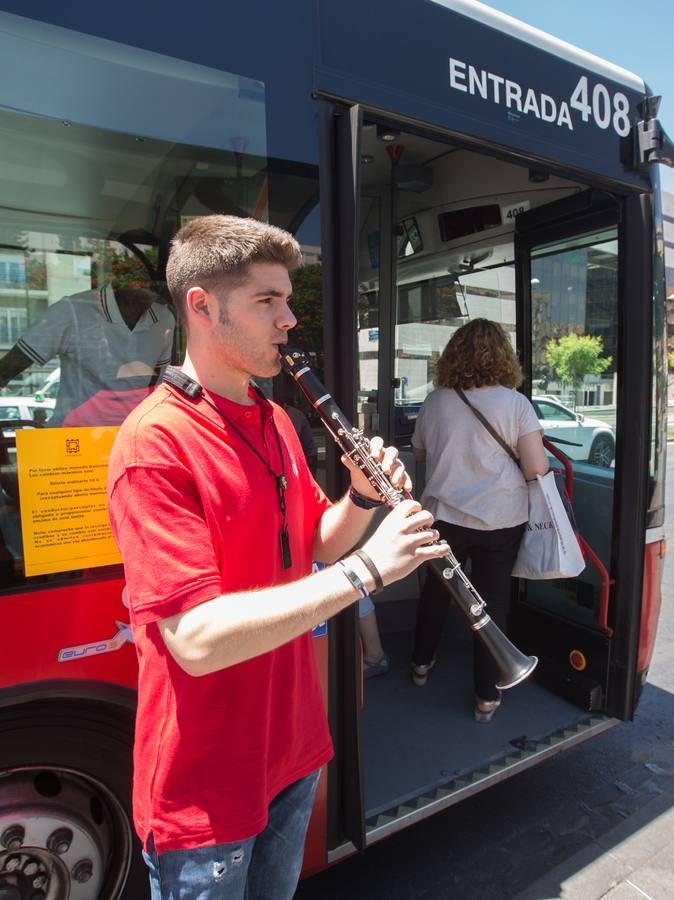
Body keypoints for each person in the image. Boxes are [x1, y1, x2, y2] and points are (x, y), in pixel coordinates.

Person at [106, 214, 446, 898]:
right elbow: (195, 641)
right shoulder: (155, 444)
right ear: (201, 306)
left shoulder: (276, 418)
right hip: (207, 790)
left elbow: (315, 541)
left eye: (287, 301)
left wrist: (358, 498)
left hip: (291, 749)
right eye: (268, 301)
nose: (289, 320)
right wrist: (370, 570)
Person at [409, 318, 547, 722]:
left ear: (454, 354)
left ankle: (420, 664)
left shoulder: (436, 401)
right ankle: (487, 694)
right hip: (500, 519)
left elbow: (419, 453)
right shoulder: (517, 403)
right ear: (503, 356)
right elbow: (535, 467)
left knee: (437, 593)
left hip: (444, 517)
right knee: (491, 605)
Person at [0, 284, 174, 426]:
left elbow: (157, 386)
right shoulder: (72, 310)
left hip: (130, 439)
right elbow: (7, 369)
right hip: (74, 442)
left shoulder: (163, 318)